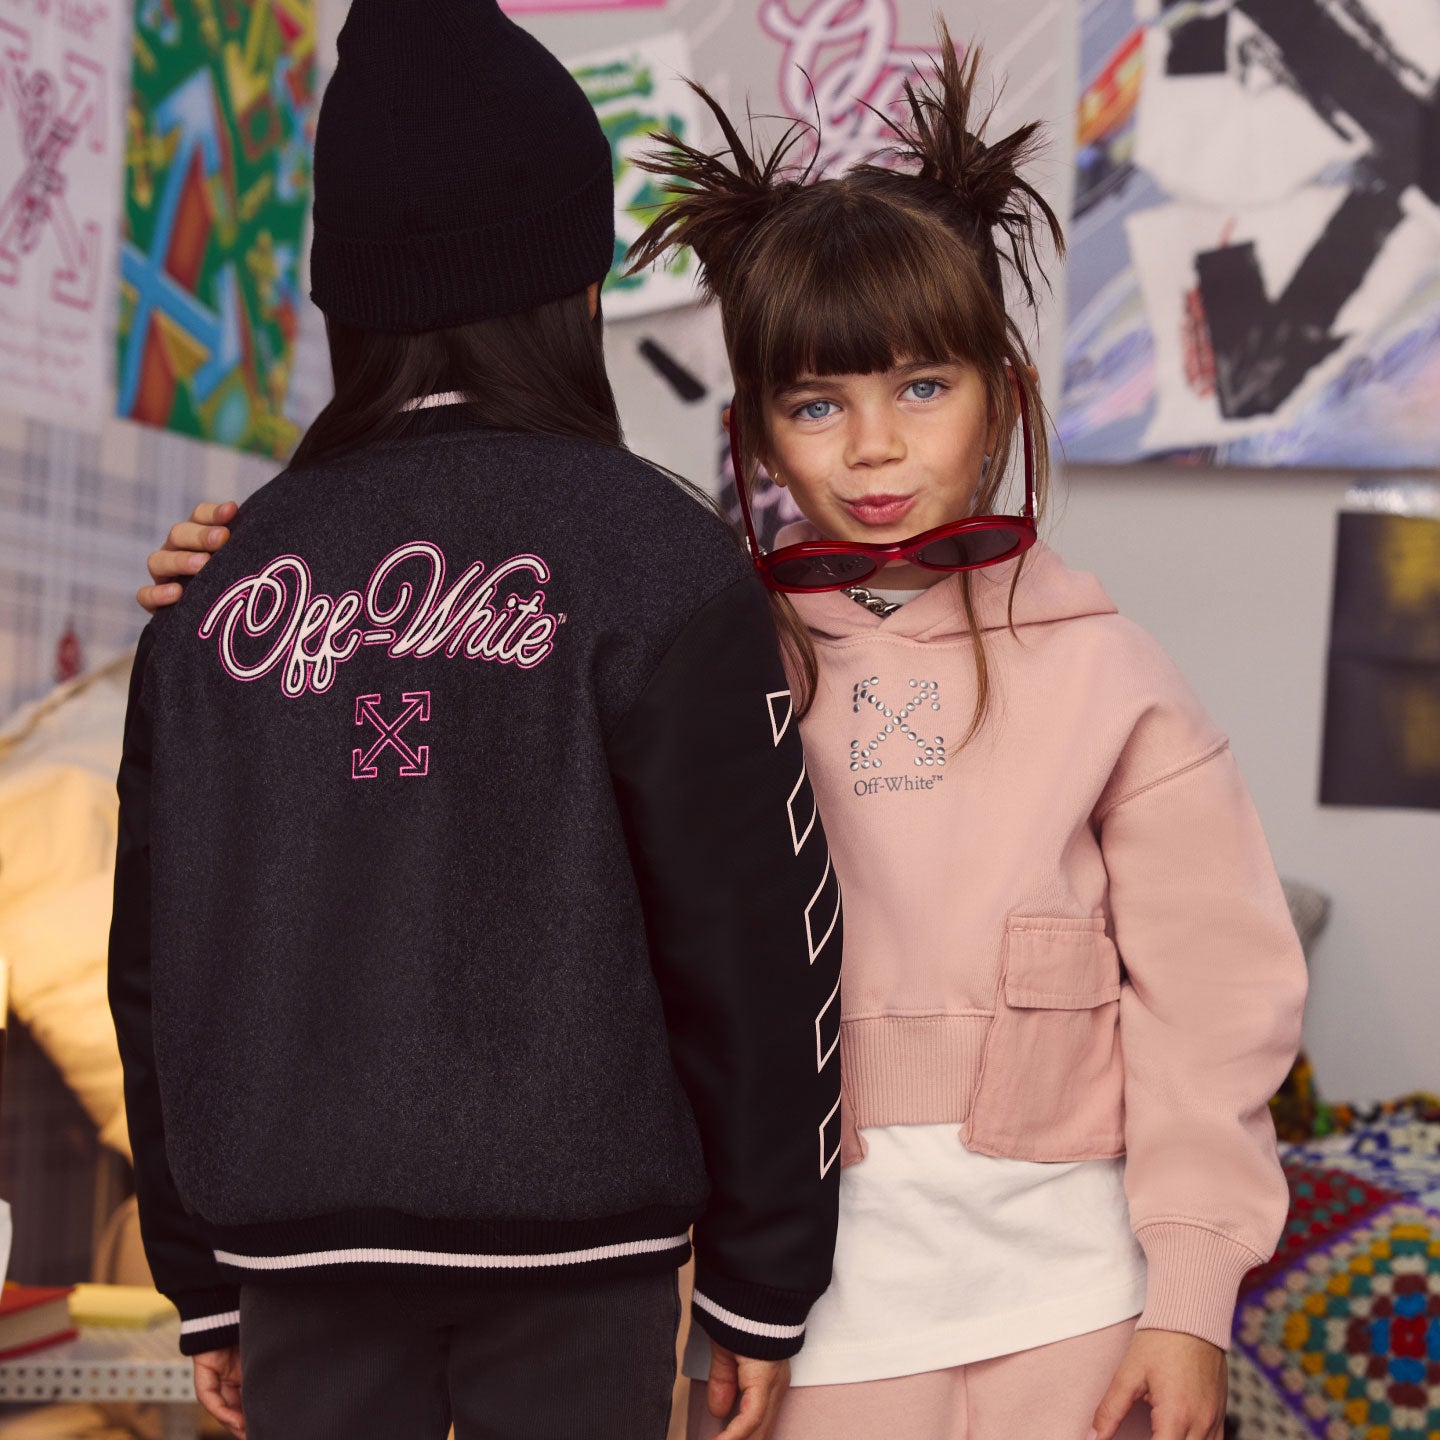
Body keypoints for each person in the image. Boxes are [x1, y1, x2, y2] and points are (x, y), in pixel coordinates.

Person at [109, 5, 840, 1439]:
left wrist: (202, 1279)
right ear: (578, 288)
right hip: (582, 1258)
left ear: (341, 299)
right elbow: (753, 942)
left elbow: (158, 959)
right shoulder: (661, 560)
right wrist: (763, 1279)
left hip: (296, 1261)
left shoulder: (214, 590)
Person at [622, 30, 1304, 1440]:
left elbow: (1215, 1002)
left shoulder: (1110, 674)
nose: (872, 446)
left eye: (922, 387)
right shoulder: (709, 667)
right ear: (759, 434)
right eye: (819, 403)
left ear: (1002, 392)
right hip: (808, 1322)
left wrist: (1188, 1299)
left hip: (1083, 1306)